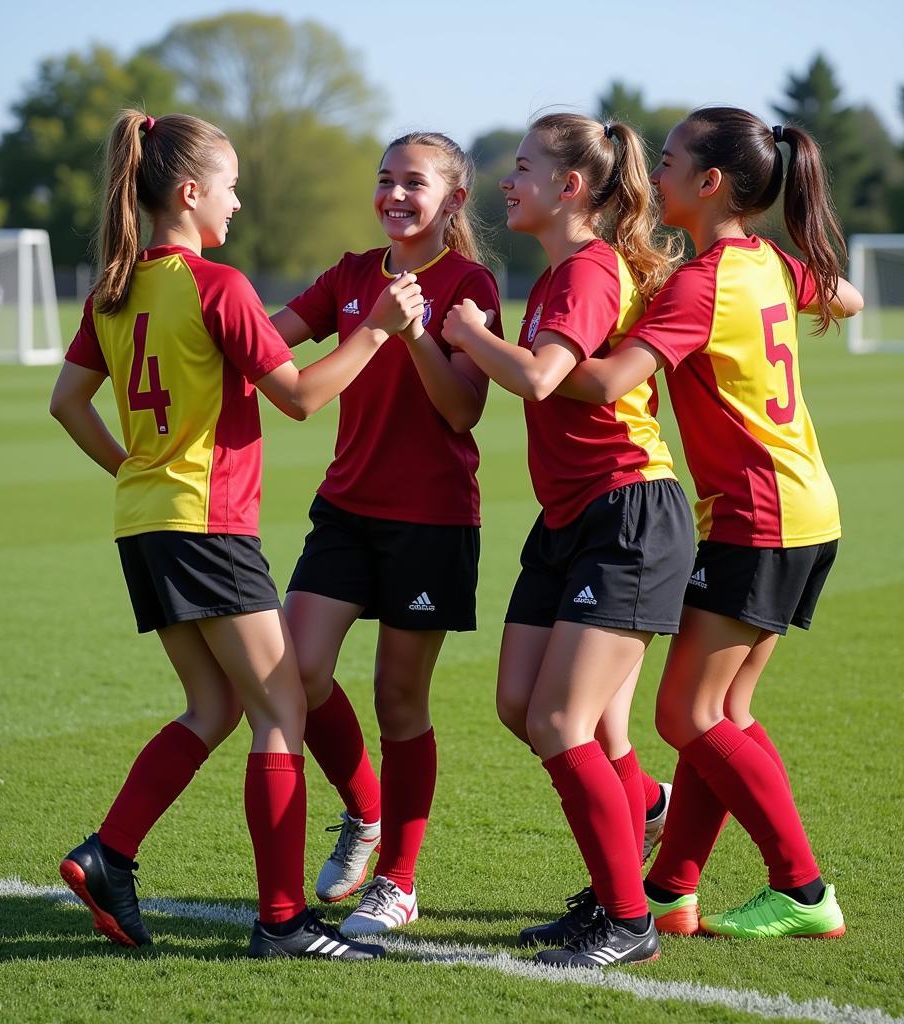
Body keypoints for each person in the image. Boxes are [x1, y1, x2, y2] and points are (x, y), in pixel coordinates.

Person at [50, 109, 425, 960]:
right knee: (281, 709)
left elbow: (66, 403)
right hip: (208, 527)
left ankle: (109, 853)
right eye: (231, 187)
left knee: (215, 705)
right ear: (190, 193)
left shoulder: (115, 287)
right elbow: (299, 396)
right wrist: (376, 330)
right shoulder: (216, 286)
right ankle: (284, 921)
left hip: (146, 524)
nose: (239, 204)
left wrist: (135, 471)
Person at [562, 107, 863, 940]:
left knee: (685, 717)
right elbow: (847, 292)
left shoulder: (704, 282)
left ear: (710, 183)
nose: (655, 174)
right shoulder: (764, 260)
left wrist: (517, 349)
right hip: (806, 506)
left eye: (667, 161)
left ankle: (802, 890)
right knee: (721, 711)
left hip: (756, 518)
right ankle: (672, 888)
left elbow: (603, 380)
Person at [441, 113, 693, 969]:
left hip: (627, 514)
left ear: (571, 188)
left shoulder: (587, 268)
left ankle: (627, 922)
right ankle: (640, 811)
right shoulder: (553, 277)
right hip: (569, 521)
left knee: (557, 718)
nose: (506, 182)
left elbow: (544, 379)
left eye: (521, 168)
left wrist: (473, 335)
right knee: (523, 707)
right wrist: (491, 336)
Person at [268, 132, 501, 937]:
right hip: (345, 509)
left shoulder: (471, 283)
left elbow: (463, 409)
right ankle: (364, 812)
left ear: (453, 200)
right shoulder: (351, 272)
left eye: (413, 183)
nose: (394, 195)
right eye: (385, 180)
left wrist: (411, 333)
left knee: (399, 699)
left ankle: (397, 881)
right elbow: (270, 338)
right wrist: (207, 318)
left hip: (432, 520)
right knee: (297, 671)